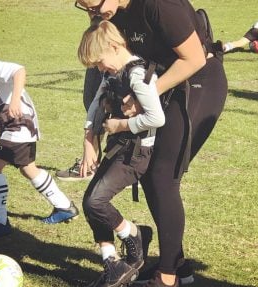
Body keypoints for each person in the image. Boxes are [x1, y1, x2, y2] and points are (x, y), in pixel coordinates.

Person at [74, 1, 228, 287]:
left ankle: (168, 276)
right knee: (147, 170)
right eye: (83, 7)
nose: (93, 14)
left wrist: (145, 95)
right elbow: (104, 71)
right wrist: (92, 132)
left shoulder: (159, 5)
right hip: (155, 86)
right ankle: (179, 266)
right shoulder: (111, 13)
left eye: (93, 5)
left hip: (197, 80)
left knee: (162, 174)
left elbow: (194, 59)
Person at [0, 23, 79, 238]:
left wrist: (16, 100)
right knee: (28, 168)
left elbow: (19, 70)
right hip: (8, 126)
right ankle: (65, 207)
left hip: (20, 122)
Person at [78, 20, 165, 286]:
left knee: (96, 202)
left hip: (135, 154)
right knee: (89, 204)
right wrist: (88, 141)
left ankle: (135, 235)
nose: (99, 68)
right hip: (117, 149)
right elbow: (95, 104)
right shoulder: (111, 73)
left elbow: (156, 118)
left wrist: (121, 125)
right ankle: (111, 263)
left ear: (115, 47)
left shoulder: (137, 75)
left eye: (100, 61)